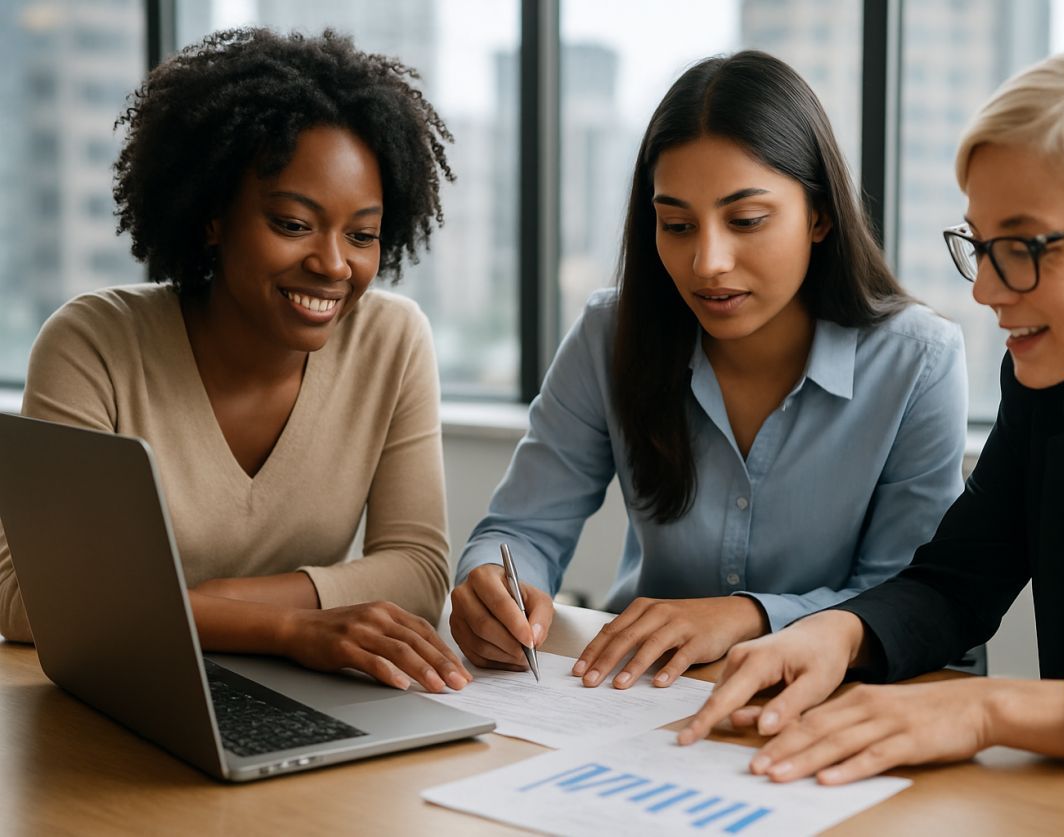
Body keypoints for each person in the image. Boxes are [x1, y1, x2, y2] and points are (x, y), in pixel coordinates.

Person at [680, 43, 1064, 781]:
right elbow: (956, 582)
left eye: (1018, 246)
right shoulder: (1055, 388)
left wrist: (984, 709)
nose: (984, 290)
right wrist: (836, 632)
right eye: (978, 245)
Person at [449, 51, 968, 690]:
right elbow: (521, 528)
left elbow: (905, 595)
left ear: (820, 216)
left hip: (831, 702)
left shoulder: (918, 361)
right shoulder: (609, 335)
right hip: (634, 693)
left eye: (746, 221)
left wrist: (748, 616)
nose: (707, 263)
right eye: (677, 224)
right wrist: (496, 585)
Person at [0, 28, 472, 694]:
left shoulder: (391, 342)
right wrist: (286, 629)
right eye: (292, 223)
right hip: (124, 699)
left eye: (362, 235)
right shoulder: (93, 346)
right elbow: (30, 599)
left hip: (300, 699)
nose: (334, 264)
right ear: (213, 216)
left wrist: (200, 601)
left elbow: (418, 572)